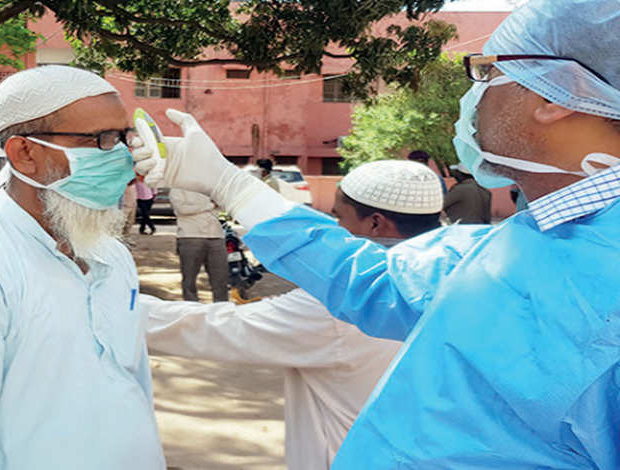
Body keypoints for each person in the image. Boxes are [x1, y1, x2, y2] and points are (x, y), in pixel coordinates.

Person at [133, 0, 620, 468]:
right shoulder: (519, 242)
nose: (476, 93)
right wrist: (229, 184)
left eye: (489, 71)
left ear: (558, 93)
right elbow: (368, 280)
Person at [143, 160, 442, 470]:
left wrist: (117, 308)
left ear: (376, 224)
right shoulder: (456, 275)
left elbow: (215, 328)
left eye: (338, 218)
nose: (335, 230)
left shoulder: (344, 303)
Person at [0, 65, 165, 470]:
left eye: (124, 137)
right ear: (25, 153)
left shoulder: (111, 255)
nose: (124, 156)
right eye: (103, 140)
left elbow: (134, 387)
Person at [169, 188, 229, 302]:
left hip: (216, 235)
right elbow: (182, 209)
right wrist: (210, 205)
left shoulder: (210, 186)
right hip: (190, 236)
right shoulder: (177, 188)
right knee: (189, 280)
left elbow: (223, 204)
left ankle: (221, 310)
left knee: (221, 279)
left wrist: (209, 205)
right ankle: (192, 310)